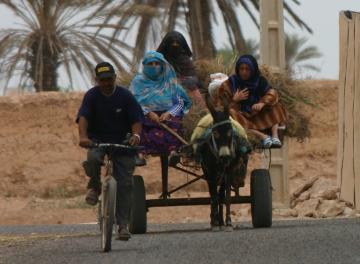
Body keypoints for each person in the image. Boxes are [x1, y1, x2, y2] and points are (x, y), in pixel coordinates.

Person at [76, 62, 144, 240]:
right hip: (98, 141)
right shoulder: (91, 96)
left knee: (126, 183)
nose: (106, 83)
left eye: (109, 79)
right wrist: (83, 137)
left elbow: (137, 119)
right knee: (92, 159)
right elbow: (83, 117)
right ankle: (94, 186)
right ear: (97, 80)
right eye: (102, 80)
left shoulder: (125, 96)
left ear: (114, 78)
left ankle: (123, 225)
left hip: (122, 142)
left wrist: (136, 136)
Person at [216, 55, 286, 148]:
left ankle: (275, 136)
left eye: (247, 69)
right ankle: (263, 137)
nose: (244, 72)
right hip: (242, 117)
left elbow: (272, 93)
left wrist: (262, 103)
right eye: (242, 69)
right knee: (230, 114)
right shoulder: (230, 83)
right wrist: (234, 100)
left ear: (253, 70)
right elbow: (220, 105)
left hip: (258, 114)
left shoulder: (260, 80)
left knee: (276, 106)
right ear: (238, 69)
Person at [130, 51, 192, 156]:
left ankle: (173, 151)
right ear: (144, 65)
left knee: (176, 123)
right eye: (150, 64)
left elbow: (180, 103)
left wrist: (169, 113)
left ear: (162, 65)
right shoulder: (137, 82)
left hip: (168, 117)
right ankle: (142, 151)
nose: (154, 66)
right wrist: (149, 113)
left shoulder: (169, 82)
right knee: (139, 126)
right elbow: (133, 102)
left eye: (157, 63)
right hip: (146, 116)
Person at [157, 31, 204, 105]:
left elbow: (193, 77)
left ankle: (202, 107)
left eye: (177, 43)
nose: (175, 45)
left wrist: (180, 81)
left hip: (185, 85)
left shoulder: (185, 59)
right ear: (167, 44)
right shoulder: (159, 60)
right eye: (172, 43)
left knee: (192, 84)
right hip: (164, 88)